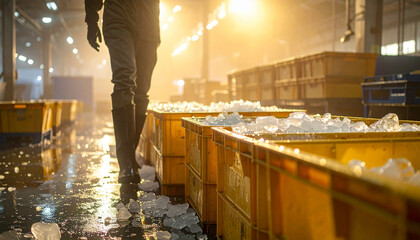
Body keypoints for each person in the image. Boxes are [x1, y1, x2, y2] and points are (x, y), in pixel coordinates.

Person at [84, 0, 160, 200]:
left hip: (149, 24)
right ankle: (126, 164)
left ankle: (130, 157)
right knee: (125, 80)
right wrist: (92, 19)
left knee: (142, 91)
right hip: (119, 18)